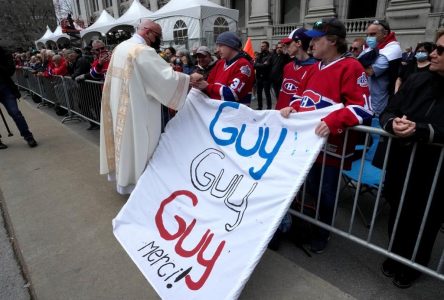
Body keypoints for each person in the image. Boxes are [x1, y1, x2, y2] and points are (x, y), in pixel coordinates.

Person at [280, 18, 372, 253]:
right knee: (309, 188)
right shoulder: (314, 68)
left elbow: (363, 108)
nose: (311, 44)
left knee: (326, 192)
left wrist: (333, 121)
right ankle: (307, 226)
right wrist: (293, 107)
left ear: (331, 41)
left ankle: (322, 233)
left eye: (316, 39)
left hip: (331, 147)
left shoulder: (351, 67)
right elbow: (302, 97)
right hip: (307, 145)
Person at [100, 19, 199, 195]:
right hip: (137, 108)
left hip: (120, 104)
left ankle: (123, 182)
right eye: (157, 36)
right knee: (139, 143)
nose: (157, 40)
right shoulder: (141, 51)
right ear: (147, 32)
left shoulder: (121, 47)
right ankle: (140, 186)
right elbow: (165, 79)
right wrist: (188, 79)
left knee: (125, 144)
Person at [378, 29, 444, 289]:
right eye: (435, 48)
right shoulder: (417, 79)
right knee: (398, 209)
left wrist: (423, 131)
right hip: (402, 162)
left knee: (425, 219)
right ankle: (394, 256)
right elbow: (389, 110)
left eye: (441, 51)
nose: (432, 54)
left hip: (435, 171)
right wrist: (392, 123)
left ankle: (413, 266)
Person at [190, 31, 255, 105]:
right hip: (219, 112)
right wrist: (198, 83)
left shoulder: (244, 66)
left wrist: (206, 86)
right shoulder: (220, 63)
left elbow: (233, 94)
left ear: (231, 45)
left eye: (220, 45)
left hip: (236, 113)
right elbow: (209, 85)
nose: (217, 50)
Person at [360, 20, 402, 116]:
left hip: (379, 103)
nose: (369, 38)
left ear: (385, 33)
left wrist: (358, 63)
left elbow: (370, 71)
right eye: (368, 34)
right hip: (366, 100)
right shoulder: (373, 47)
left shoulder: (393, 48)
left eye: (373, 34)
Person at [0, 46, 37, 149]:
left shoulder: (4, 53)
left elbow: (10, 70)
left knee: (15, 113)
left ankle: (28, 136)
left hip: (6, 88)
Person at [275, 28, 316, 110]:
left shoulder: (314, 68)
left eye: (288, 43)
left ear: (298, 43)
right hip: (280, 114)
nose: (285, 46)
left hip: (296, 116)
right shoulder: (288, 66)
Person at [254, 41, 272, 109]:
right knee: (259, 93)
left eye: (263, 46)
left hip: (266, 77)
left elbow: (266, 65)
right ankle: (259, 106)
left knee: (267, 93)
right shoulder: (259, 55)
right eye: (261, 46)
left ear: (267, 47)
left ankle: (269, 107)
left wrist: (259, 65)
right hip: (259, 77)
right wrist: (261, 65)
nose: (261, 47)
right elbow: (254, 65)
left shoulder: (270, 55)